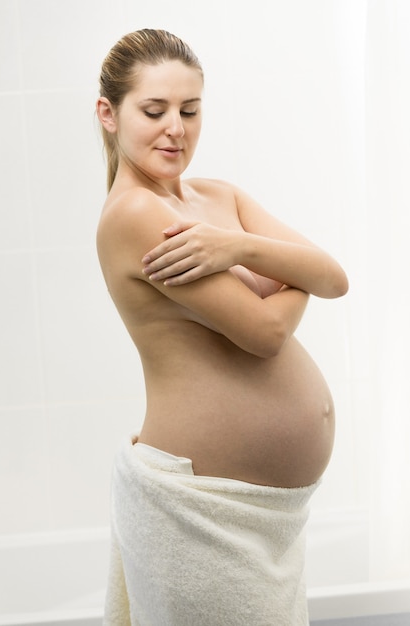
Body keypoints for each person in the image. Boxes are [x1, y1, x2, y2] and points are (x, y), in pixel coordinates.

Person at [96, 29, 348, 626]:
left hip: (266, 517)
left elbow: (333, 277)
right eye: (154, 110)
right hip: (203, 512)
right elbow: (263, 334)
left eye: (190, 109)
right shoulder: (135, 213)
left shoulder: (219, 198)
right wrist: (288, 277)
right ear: (109, 113)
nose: (175, 128)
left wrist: (235, 245)